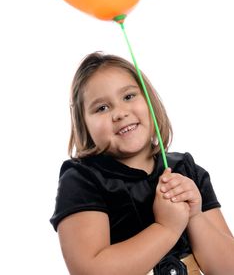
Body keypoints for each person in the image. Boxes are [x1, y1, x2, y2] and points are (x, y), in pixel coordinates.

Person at [50, 51, 234, 275]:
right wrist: (166, 228)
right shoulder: (82, 179)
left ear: (150, 100)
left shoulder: (185, 170)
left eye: (128, 96)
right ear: (83, 125)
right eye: (101, 108)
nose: (119, 113)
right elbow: (91, 270)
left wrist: (195, 215)